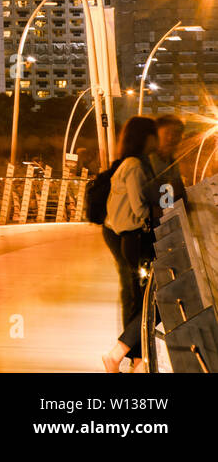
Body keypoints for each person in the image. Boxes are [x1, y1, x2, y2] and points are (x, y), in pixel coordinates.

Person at [101, 116, 156, 373]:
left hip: (124, 236)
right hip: (130, 237)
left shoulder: (130, 163)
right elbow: (139, 207)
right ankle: (127, 355)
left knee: (137, 295)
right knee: (141, 297)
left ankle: (133, 357)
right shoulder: (134, 166)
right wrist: (160, 210)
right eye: (153, 134)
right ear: (145, 138)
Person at [145, 114, 186, 224]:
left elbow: (173, 192)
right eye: (167, 133)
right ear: (156, 135)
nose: (171, 138)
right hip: (146, 225)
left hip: (164, 219)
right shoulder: (148, 161)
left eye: (176, 134)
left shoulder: (172, 162)